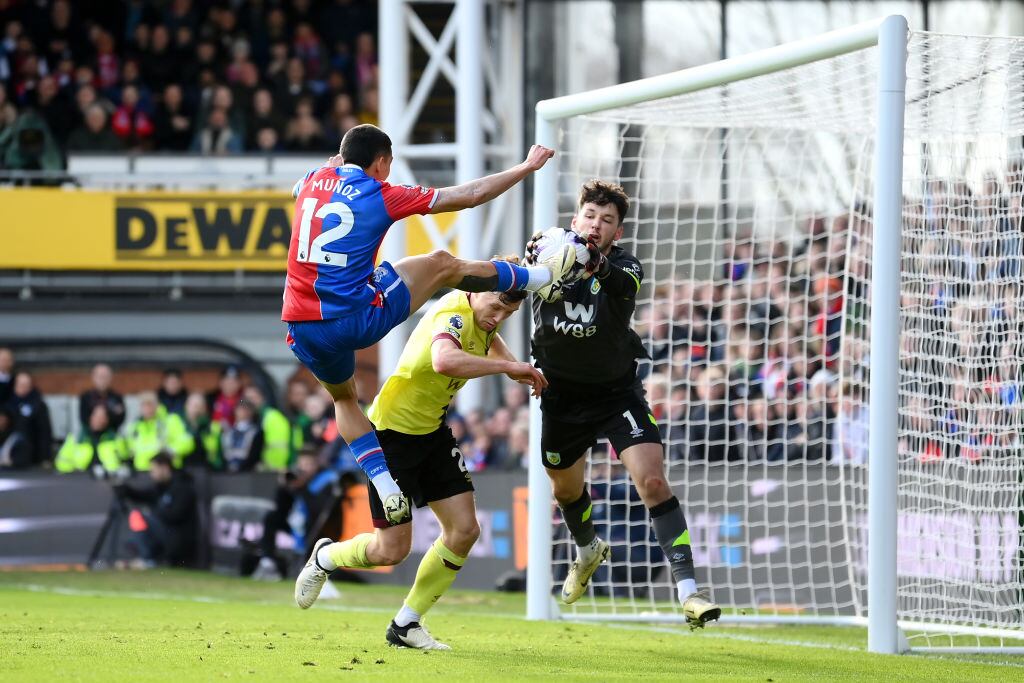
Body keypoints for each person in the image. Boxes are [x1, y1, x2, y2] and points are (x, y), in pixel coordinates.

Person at [283, 124, 578, 526]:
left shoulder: (313, 180)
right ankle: (540, 278)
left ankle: (384, 483)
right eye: (389, 164)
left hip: (301, 325)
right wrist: (525, 167)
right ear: (381, 162)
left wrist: (329, 168)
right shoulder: (380, 192)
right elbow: (471, 195)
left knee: (344, 400)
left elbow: (298, 190)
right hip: (355, 318)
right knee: (442, 264)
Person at [294, 267, 545, 650]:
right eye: (495, 307)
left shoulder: (483, 313)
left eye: (507, 314)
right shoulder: (453, 313)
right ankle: (327, 556)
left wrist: (512, 364)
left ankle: (406, 623)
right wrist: (509, 367)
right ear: (478, 290)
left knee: (465, 531)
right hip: (391, 437)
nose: (497, 318)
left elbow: (489, 335)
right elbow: (444, 360)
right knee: (390, 550)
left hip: (432, 433)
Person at [526, 180, 720, 628]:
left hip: (617, 395)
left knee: (651, 481)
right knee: (565, 492)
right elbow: (505, 291)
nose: (597, 224)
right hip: (561, 397)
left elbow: (616, 280)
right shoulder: (545, 262)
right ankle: (587, 550)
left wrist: (589, 259)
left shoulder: (627, 266)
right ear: (575, 220)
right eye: (590, 216)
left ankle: (689, 592)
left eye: (607, 220)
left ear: (619, 232)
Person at [252, 446, 341, 581]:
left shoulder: (326, 480)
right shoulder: (297, 479)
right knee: (271, 518)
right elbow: (280, 509)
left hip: (318, 530)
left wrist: (301, 488)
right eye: (301, 464)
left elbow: (317, 512)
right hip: (297, 525)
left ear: (316, 464)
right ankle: (268, 562)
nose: (304, 468)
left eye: (308, 464)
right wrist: (283, 487)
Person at [115, 452, 199, 568]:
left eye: (154, 470)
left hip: (180, 539)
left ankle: (147, 559)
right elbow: (143, 495)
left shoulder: (182, 487)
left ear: (164, 467)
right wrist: (127, 490)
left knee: (139, 516)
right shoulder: (161, 487)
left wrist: (153, 511)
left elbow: (176, 515)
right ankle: (147, 556)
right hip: (166, 536)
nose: (152, 474)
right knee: (139, 518)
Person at [55, 404, 130, 478]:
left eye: (102, 417)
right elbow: (62, 461)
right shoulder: (77, 437)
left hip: (108, 479)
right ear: (91, 417)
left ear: (107, 420)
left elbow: (126, 459)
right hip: (80, 478)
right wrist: (73, 472)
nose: (98, 420)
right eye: (96, 416)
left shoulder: (115, 438)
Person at [126, 391, 193, 470]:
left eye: (150, 404)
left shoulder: (171, 421)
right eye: (144, 405)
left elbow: (187, 442)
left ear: (158, 405)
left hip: (167, 469)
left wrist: (169, 451)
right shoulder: (135, 427)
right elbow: (130, 449)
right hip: (142, 470)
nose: (147, 409)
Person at [8, 371, 53, 466]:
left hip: (30, 454)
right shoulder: (7, 403)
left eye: (26, 385)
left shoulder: (38, 405)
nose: (23, 388)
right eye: (21, 385)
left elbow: (44, 432)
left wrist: (45, 457)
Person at [78, 363, 126, 431]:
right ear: (94, 377)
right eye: (100, 377)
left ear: (110, 378)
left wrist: (105, 418)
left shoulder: (117, 397)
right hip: (90, 433)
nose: (103, 380)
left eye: (105, 377)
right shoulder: (86, 397)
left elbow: (121, 417)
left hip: (111, 433)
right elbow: (83, 418)